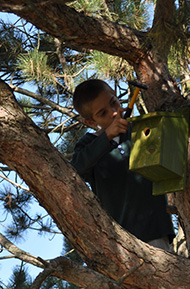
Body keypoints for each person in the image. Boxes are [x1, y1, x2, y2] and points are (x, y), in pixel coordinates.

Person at [70, 79, 174, 251]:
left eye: (114, 103)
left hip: (155, 229)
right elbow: (76, 170)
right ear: (89, 122)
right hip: (118, 239)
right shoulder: (88, 144)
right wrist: (107, 137)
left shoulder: (140, 130)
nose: (113, 113)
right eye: (102, 113)